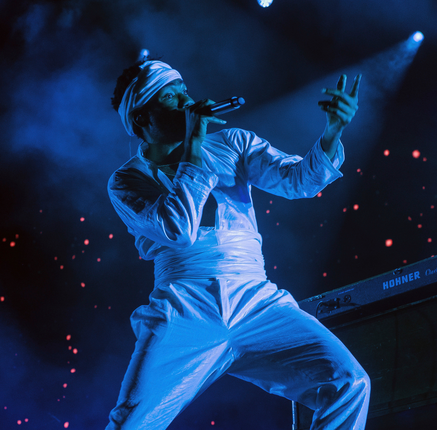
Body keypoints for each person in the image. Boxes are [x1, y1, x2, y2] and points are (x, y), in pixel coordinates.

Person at [105, 60, 369, 430]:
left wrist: (333, 132)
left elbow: (298, 182)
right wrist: (193, 144)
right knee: (131, 423)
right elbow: (177, 228)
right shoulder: (125, 180)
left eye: (184, 88)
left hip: (255, 299)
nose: (185, 99)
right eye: (170, 95)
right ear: (141, 119)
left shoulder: (233, 142)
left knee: (349, 382)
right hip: (185, 304)